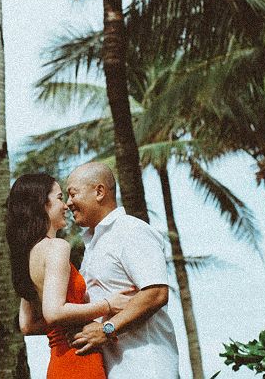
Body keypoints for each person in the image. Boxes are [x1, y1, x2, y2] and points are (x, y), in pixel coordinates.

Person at [6, 173, 132, 379]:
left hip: (58, 363)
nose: (65, 206)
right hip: (79, 359)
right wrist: (108, 305)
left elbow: (26, 325)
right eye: (58, 198)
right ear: (42, 203)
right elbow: (54, 312)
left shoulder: (27, 255)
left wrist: (70, 324)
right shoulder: (57, 247)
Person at [65, 161, 180, 378]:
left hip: (146, 366)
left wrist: (107, 329)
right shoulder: (94, 243)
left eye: (73, 194)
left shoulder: (130, 231)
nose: (68, 203)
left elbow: (156, 293)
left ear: (99, 191)